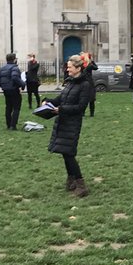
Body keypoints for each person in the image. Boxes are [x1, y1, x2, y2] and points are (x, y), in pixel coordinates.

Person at [47, 54, 90, 197]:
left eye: (70, 67)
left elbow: (81, 107)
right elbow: (61, 98)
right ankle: (71, 179)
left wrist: (61, 109)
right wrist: (48, 102)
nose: (68, 69)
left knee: (69, 154)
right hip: (63, 121)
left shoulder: (85, 85)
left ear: (78, 68)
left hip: (72, 123)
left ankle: (81, 184)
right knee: (65, 153)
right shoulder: (70, 82)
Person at [0, 54, 24, 130]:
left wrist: (3, 86)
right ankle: (13, 125)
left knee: (8, 107)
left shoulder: (2, 68)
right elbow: (15, 77)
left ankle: (8, 124)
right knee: (16, 108)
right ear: (14, 59)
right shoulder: (14, 68)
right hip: (14, 90)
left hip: (6, 90)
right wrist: (22, 84)